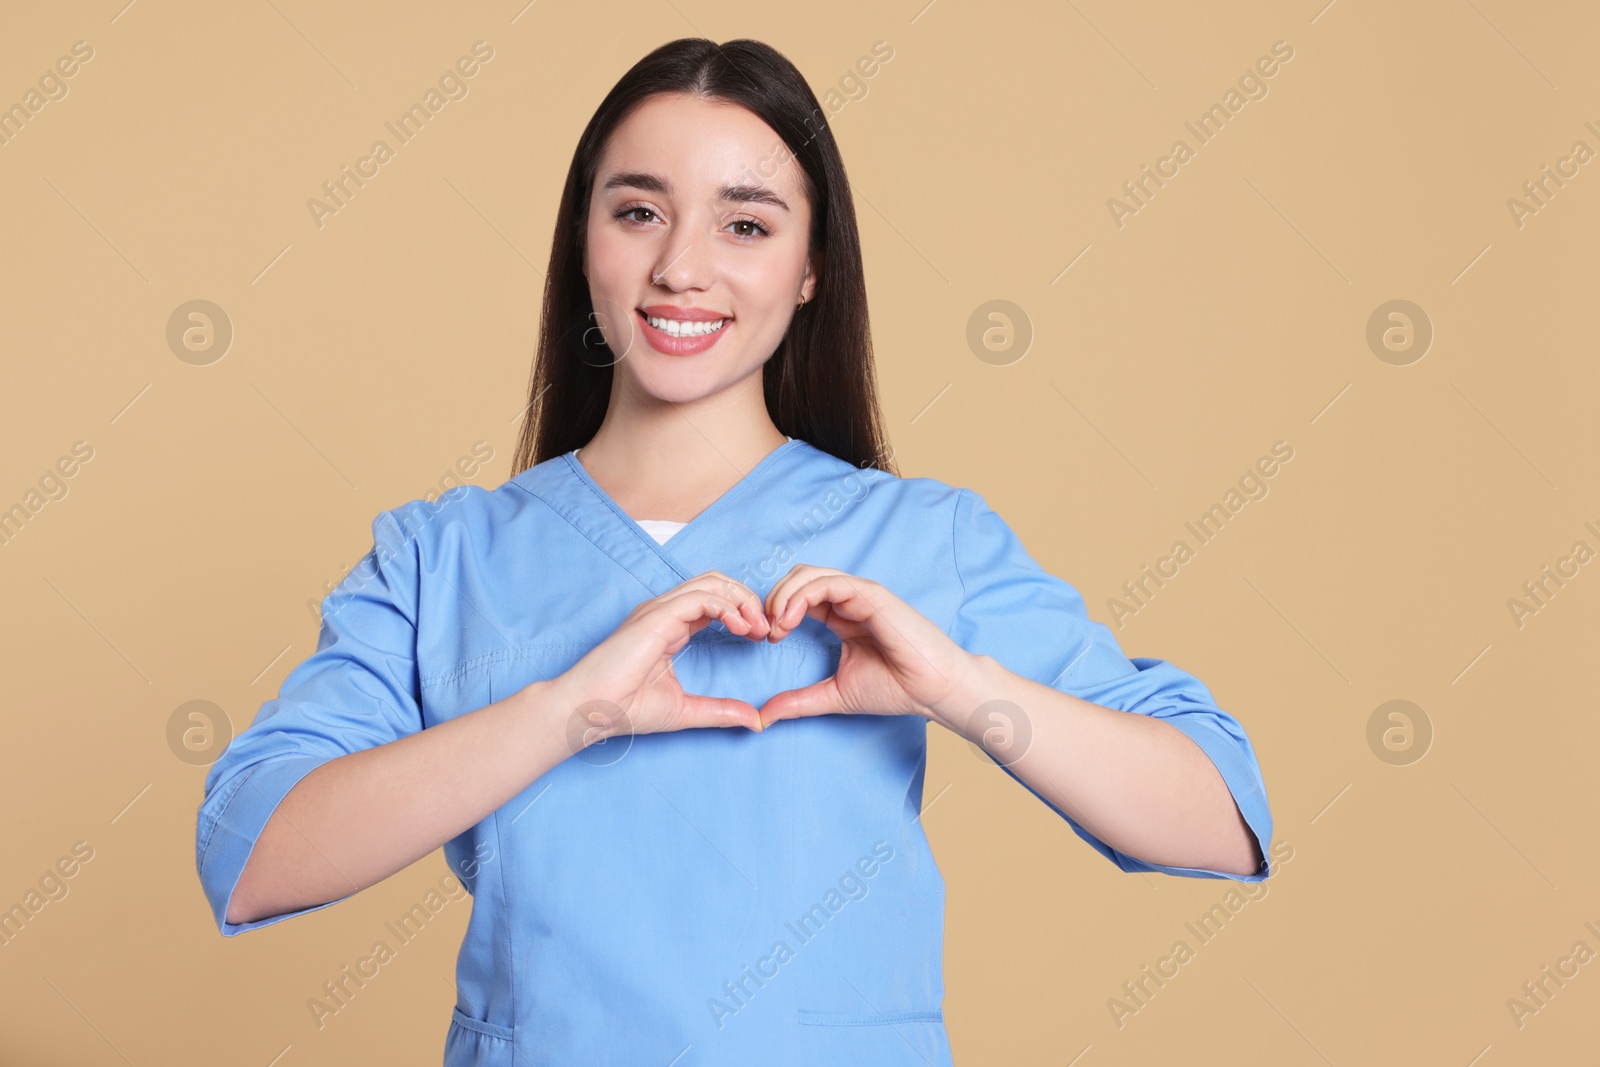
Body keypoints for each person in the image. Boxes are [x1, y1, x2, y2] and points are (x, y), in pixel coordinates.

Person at [194, 37, 1273, 1067]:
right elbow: (251, 856)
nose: (680, 267)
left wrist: (958, 683)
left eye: (745, 225)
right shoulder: (442, 557)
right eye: (637, 211)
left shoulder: (919, 539)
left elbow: (1219, 816)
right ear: (585, 241)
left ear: (812, 269)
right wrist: (565, 710)